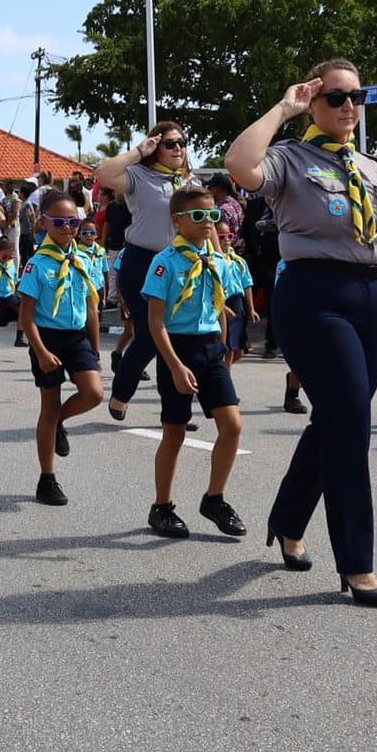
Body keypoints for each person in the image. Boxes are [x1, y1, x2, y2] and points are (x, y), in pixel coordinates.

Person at [225, 59, 377, 608]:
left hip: (373, 297)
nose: (349, 106)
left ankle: (287, 521)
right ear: (313, 102)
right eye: (335, 97)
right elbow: (239, 165)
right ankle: (357, 562)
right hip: (314, 296)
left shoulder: (376, 170)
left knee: (338, 417)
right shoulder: (289, 158)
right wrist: (283, 109)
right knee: (353, 423)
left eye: (357, 96)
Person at [140, 187, 247, 539]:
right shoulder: (165, 262)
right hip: (177, 348)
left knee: (232, 426)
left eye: (213, 216)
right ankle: (162, 506)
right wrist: (173, 365)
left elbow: (221, 305)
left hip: (210, 349)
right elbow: (156, 322)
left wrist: (224, 349)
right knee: (174, 431)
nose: (208, 223)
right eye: (199, 216)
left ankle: (214, 498)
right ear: (178, 220)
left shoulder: (217, 259)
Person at [93, 120, 200, 421]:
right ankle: (121, 392)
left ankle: (177, 410)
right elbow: (103, 174)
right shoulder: (138, 176)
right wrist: (140, 151)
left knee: (179, 336)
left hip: (182, 263)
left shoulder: (189, 182)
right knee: (151, 336)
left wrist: (215, 258)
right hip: (143, 262)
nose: (178, 148)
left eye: (182, 142)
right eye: (169, 143)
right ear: (156, 147)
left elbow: (206, 224)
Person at [18, 193, 104, 507]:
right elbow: (26, 316)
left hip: (76, 337)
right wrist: (39, 351)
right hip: (47, 337)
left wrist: (95, 350)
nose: (68, 228)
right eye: (60, 222)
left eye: (73, 222)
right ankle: (47, 478)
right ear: (44, 223)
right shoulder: (36, 264)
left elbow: (91, 308)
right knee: (49, 407)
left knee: (93, 393)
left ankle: (60, 424)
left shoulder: (83, 259)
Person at [217, 219, 255, 365]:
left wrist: (251, 309)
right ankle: (225, 379)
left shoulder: (238, 261)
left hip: (237, 303)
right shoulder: (215, 261)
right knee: (227, 347)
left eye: (230, 236)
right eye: (221, 237)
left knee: (238, 348)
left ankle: (222, 373)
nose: (227, 240)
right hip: (223, 302)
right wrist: (222, 306)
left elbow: (247, 285)